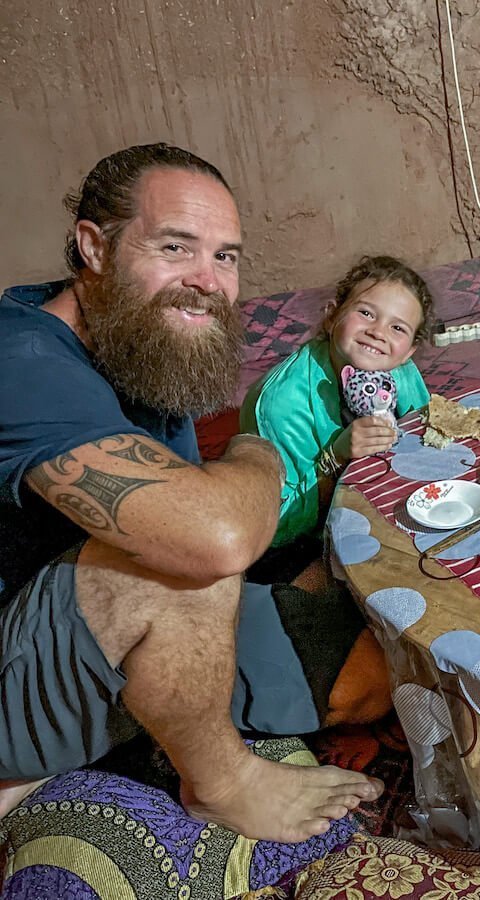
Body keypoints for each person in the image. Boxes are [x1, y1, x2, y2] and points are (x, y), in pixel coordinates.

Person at [0, 144, 393, 842]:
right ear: (94, 246)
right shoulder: (21, 360)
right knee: (185, 546)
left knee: (371, 682)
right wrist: (255, 452)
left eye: (226, 257)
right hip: (24, 651)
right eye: (177, 247)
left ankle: (93, 748)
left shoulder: (142, 338)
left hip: (116, 632)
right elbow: (213, 538)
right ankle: (220, 784)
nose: (207, 280)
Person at [241, 255, 434, 551]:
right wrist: (336, 455)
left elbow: (424, 439)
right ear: (332, 316)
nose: (379, 332)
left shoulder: (401, 372)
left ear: (409, 351)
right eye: (367, 313)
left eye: (398, 328)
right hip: (309, 543)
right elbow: (276, 522)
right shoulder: (281, 405)